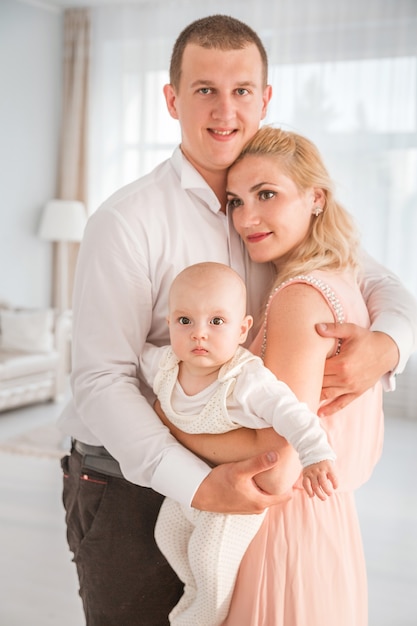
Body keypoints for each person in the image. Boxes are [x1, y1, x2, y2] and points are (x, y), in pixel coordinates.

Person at [58, 14, 417, 626]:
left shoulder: (272, 196)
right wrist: (198, 484)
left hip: (249, 486)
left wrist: (391, 343)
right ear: (172, 99)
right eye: (204, 90)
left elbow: (373, 275)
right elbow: (101, 380)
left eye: (241, 90)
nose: (225, 110)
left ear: (265, 97)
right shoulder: (126, 222)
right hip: (130, 485)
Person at [140, 261, 337, 626]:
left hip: (235, 495)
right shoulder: (164, 364)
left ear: (243, 329)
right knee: (166, 537)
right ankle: (193, 595)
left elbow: (292, 413)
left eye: (216, 322)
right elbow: (125, 365)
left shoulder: (244, 379)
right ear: (169, 324)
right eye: (185, 321)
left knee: (209, 563)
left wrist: (315, 455)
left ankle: (197, 619)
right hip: (189, 482)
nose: (200, 334)